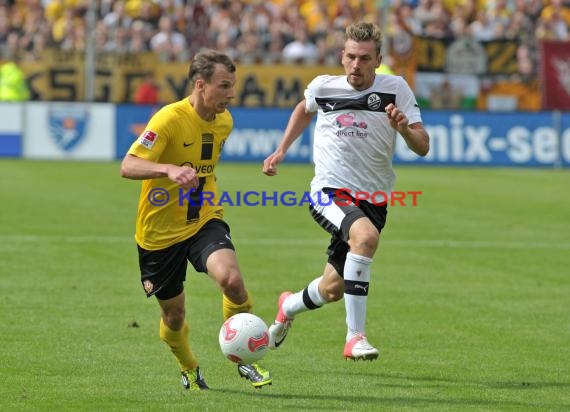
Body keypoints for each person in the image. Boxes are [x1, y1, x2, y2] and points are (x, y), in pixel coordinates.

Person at [262, 22, 430, 361]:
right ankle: (355, 338)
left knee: (332, 289)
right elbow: (303, 109)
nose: (356, 65)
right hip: (328, 191)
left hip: (375, 199)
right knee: (365, 238)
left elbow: (422, 145)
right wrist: (281, 150)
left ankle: (288, 306)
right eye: (351, 57)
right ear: (342, 56)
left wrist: (403, 129)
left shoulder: (396, 88)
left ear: (378, 59)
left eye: (365, 58)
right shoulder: (324, 87)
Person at [120, 49, 272, 390]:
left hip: (204, 217)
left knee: (232, 281)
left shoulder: (225, 121)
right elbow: (128, 166)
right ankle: (188, 366)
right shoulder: (168, 119)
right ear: (200, 85)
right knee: (174, 316)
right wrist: (168, 169)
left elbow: (204, 169)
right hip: (159, 233)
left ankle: (244, 359)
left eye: (233, 85)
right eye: (224, 86)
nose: (231, 94)